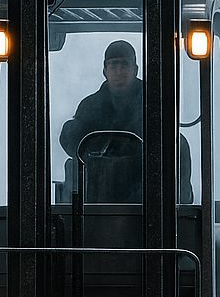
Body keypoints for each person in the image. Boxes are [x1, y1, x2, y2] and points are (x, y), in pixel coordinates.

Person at [60, 40, 192, 203]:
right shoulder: (89, 107)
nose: (119, 71)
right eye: (113, 65)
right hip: (97, 201)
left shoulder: (154, 103)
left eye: (125, 65)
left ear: (135, 69)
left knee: (179, 143)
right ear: (105, 71)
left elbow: (165, 143)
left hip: (148, 198)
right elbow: (72, 141)